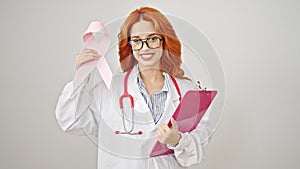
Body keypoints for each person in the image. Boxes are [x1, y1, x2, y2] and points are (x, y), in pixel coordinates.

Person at [55, 7, 212, 169]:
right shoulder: (109, 89)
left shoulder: (186, 91)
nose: (145, 47)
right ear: (129, 45)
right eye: (137, 41)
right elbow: (70, 121)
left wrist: (177, 140)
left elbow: (195, 154)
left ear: (165, 41)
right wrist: (81, 75)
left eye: (152, 39)